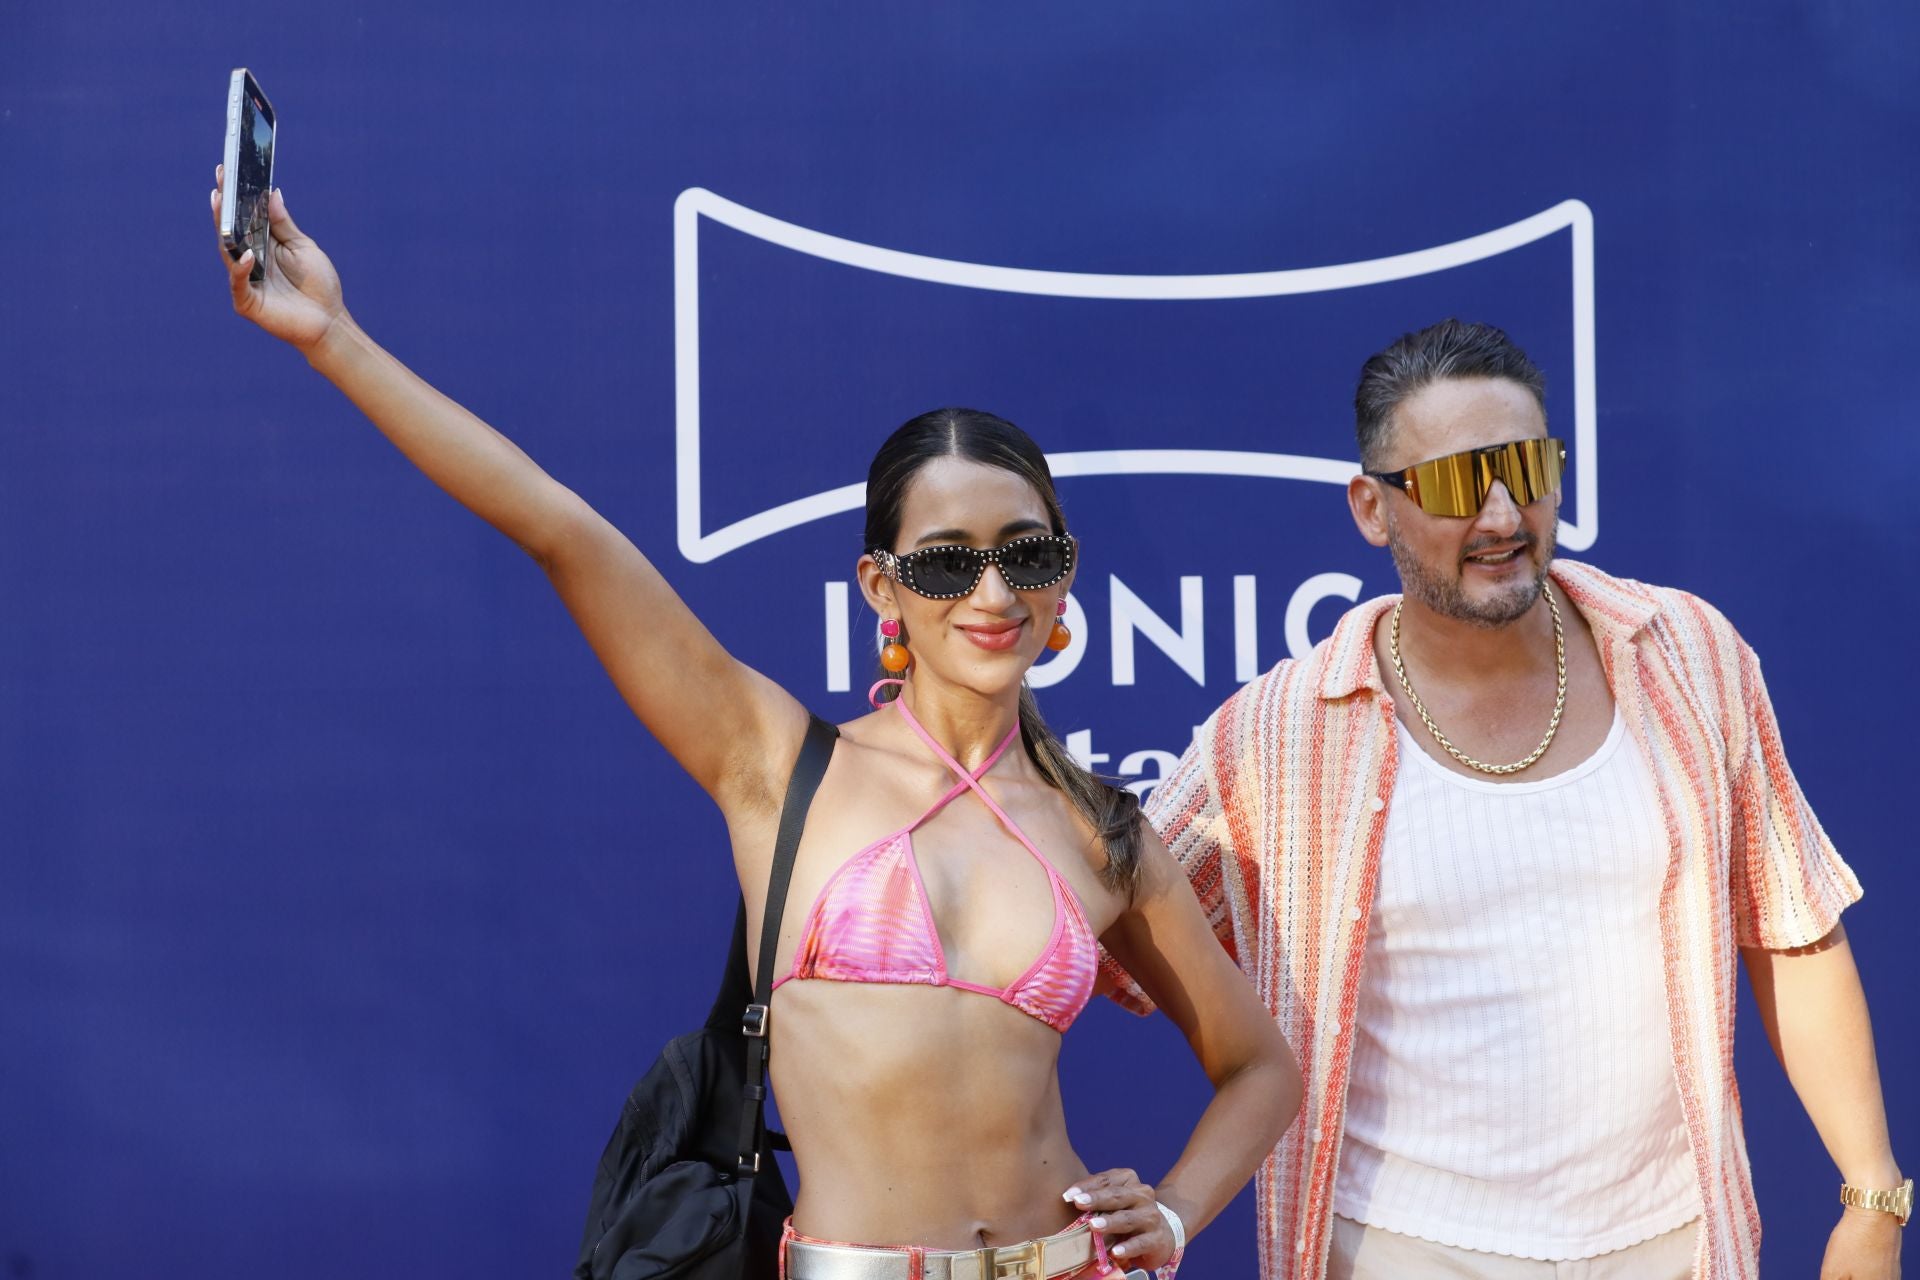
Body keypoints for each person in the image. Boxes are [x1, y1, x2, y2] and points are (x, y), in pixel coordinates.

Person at [208, 170, 1301, 1280]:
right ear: (882, 587)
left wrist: (1171, 1211)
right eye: (945, 560)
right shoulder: (778, 762)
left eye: (1027, 553)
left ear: (1063, 579)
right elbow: (561, 530)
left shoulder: (1103, 827)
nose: (992, 591)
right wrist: (332, 336)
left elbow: (1261, 1064)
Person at [1106, 319, 1906, 1279]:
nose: (1499, 514)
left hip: (1675, 1244)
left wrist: (1873, 1196)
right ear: (1372, 508)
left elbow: (1791, 927)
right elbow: (1102, 937)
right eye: (1452, 483)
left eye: (1526, 468)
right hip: (1397, 1250)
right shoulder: (1279, 731)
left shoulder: (1688, 655)